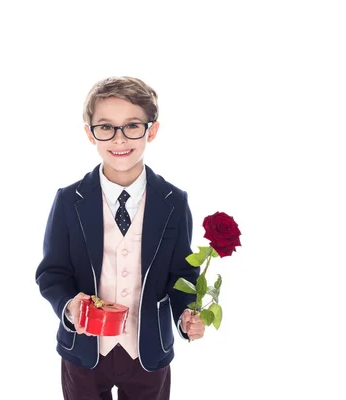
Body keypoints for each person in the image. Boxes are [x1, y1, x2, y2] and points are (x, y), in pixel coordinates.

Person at [35, 76, 206, 400]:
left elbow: (182, 274)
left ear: (151, 130)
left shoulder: (174, 200)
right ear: (90, 133)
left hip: (148, 350)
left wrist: (186, 316)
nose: (119, 138)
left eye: (131, 126)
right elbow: (52, 273)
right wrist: (71, 306)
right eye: (106, 127)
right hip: (84, 351)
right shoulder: (69, 200)